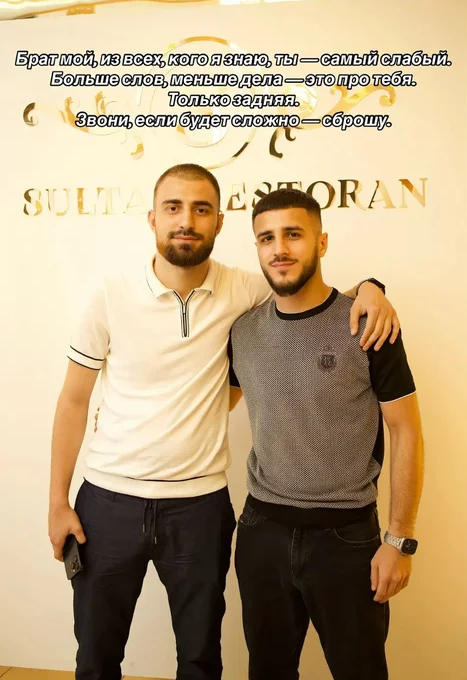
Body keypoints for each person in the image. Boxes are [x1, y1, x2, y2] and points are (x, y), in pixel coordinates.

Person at [48, 164, 400, 680]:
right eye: (173, 207)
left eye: (201, 209)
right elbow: (73, 401)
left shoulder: (244, 290)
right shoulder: (108, 292)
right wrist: (58, 502)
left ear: (218, 222)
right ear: (152, 218)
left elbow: (310, 296)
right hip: (107, 503)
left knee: (199, 659)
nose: (186, 220)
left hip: (199, 507)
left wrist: (372, 287)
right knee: (96, 659)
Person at [229, 188, 424, 680]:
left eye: (293, 234)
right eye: (266, 238)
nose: (279, 249)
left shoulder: (368, 324)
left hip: (347, 539)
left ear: (322, 242)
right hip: (261, 532)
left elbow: (406, 431)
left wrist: (399, 539)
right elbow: (210, 402)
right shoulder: (242, 332)